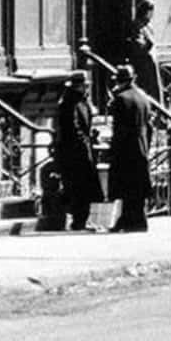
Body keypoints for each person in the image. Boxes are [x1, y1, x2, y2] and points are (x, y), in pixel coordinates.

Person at [51, 71, 105, 231]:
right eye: (84, 85)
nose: (86, 87)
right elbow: (72, 128)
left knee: (83, 187)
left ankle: (82, 219)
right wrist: (84, 143)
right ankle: (78, 220)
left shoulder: (81, 101)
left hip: (81, 150)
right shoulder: (69, 102)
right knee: (77, 187)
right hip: (74, 153)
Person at [107, 64, 155, 233]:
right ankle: (136, 220)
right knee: (137, 187)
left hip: (126, 148)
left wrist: (113, 148)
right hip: (140, 147)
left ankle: (128, 220)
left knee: (127, 187)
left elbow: (119, 128)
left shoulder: (121, 99)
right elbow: (150, 127)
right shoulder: (143, 97)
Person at [125, 0, 161, 101]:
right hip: (142, 64)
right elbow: (138, 45)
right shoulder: (137, 25)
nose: (152, 14)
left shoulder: (149, 26)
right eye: (150, 11)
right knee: (145, 88)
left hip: (151, 62)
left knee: (154, 89)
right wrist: (148, 44)